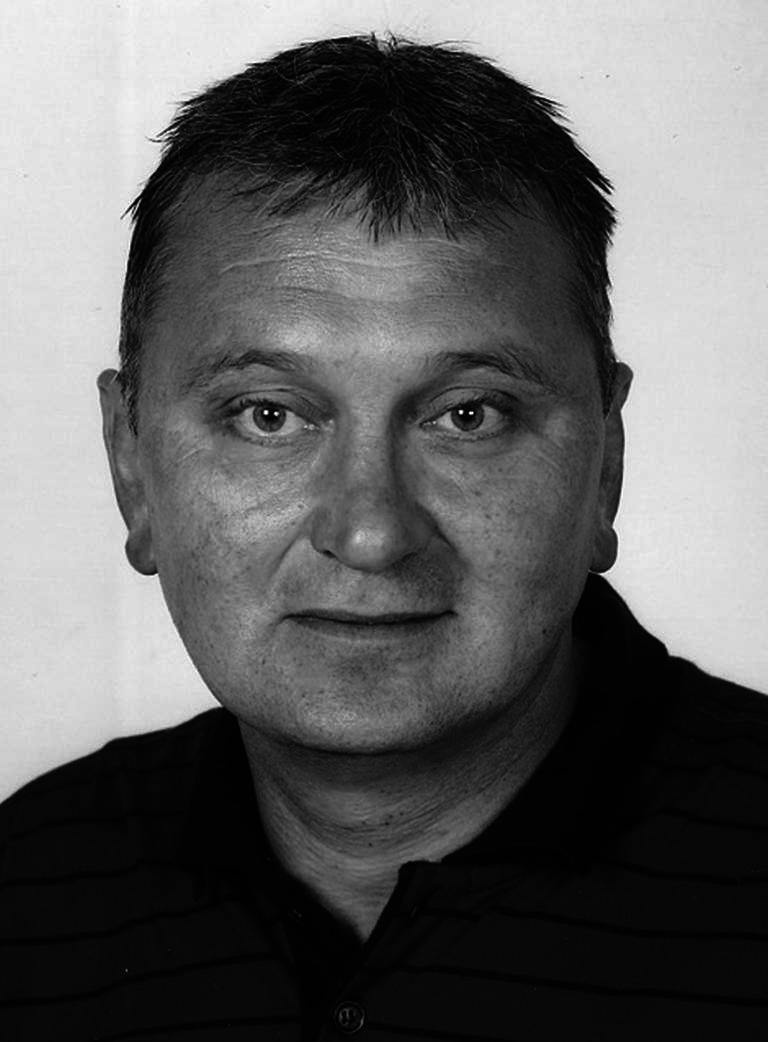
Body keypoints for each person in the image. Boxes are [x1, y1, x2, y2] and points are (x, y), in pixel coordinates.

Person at [1, 33, 767, 1042]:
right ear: (131, 465)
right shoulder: (23, 896)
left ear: (606, 464)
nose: (369, 533)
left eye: (468, 415)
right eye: (268, 415)